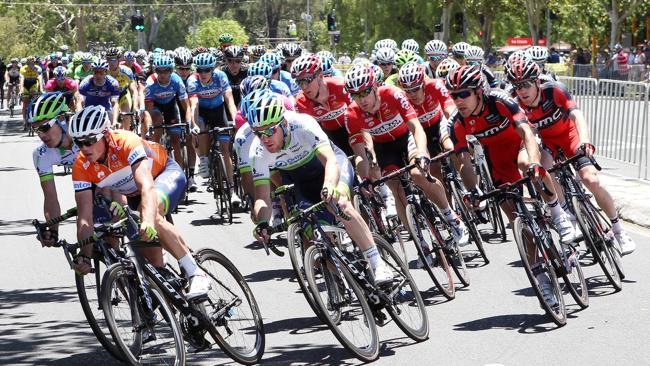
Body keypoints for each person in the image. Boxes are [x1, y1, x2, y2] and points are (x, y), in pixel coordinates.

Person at [446, 65, 576, 306]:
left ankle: (558, 214)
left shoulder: (499, 101)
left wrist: (537, 163)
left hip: (520, 144)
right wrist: (473, 192)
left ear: (478, 91)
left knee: (528, 164)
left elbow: (526, 131)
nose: (458, 100)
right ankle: (542, 280)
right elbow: (463, 162)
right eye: (453, 95)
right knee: (516, 219)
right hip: (498, 160)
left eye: (463, 94)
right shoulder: (457, 123)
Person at [248, 89, 394, 284]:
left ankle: (378, 263)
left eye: (269, 131)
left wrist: (329, 187)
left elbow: (330, 162)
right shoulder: (257, 151)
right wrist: (262, 222)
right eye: (258, 133)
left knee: (339, 203)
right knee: (312, 233)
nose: (264, 138)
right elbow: (262, 197)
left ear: (283, 124)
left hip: (330, 167)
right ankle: (342, 279)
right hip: (301, 182)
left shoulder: (303, 124)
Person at [69, 105, 210, 299]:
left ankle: (196, 273)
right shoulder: (81, 166)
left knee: (152, 216)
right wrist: (85, 254)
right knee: (154, 263)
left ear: (106, 134)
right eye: (79, 142)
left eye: (90, 141)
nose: (84, 148)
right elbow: (85, 217)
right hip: (134, 194)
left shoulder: (126, 141)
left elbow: (146, 186)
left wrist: (148, 220)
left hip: (163, 175)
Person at [509, 58, 636, 255]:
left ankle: (619, 230)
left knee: (591, 180)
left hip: (569, 137)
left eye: (526, 85)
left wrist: (585, 141)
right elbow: (525, 137)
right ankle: (568, 215)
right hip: (548, 143)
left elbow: (577, 115)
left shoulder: (554, 90)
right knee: (542, 170)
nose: (522, 91)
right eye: (517, 86)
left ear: (536, 82)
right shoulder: (517, 105)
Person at [344, 64, 470, 253]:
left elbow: (416, 127)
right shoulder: (351, 114)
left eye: (365, 93)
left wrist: (421, 152)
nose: (361, 100)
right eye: (355, 95)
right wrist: (366, 178)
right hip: (384, 147)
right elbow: (360, 155)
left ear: (375, 88)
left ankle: (451, 216)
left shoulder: (393, 94)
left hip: (407, 138)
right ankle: (421, 245)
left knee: (418, 175)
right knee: (396, 189)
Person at [187, 52, 241, 206]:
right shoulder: (193, 81)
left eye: (207, 70)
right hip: (202, 113)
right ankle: (203, 159)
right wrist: (194, 124)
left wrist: (236, 120)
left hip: (218, 111)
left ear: (212, 70)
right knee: (202, 129)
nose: (203, 73)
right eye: (200, 70)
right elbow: (193, 106)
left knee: (225, 150)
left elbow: (229, 100)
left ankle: (232, 190)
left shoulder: (221, 77)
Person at [291, 54, 354, 156]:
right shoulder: (300, 102)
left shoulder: (340, 86)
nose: (303, 86)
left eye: (307, 80)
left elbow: (360, 114)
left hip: (351, 128)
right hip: (328, 135)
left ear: (320, 76)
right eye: (299, 82)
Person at [77, 59, 121, 127]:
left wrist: (115, 120)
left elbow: (114, 103)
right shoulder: (86, 83)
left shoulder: (113, 83)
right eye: (96, 72)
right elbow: (80, 102)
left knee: (112, 127)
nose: (98, 75)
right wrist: (78, 116)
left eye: (101, 72)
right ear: (92, 72)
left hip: (105, 110)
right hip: (88, 110)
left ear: (106, 72)